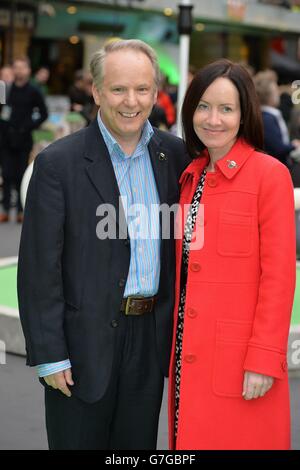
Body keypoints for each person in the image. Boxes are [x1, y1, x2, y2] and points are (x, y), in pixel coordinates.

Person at [17, 39, 190, 450]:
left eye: (142, 89)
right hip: (80, 349)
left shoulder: (177, 154)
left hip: (148, 344)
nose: (131, 101)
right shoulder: (58, 163)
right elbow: (40, 267)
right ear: (96, 91)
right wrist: (50, 355)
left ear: (155, 92)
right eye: (118, 89)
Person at [168, 59, 296, 450]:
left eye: (226, 108)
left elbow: (279, 276)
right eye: (203, 106)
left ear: (244, 115)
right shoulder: (190, 177)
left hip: (241, 362)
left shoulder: (269, 175)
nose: (213, 119)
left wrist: (263, 358)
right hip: (187, 354)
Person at [0, 57, 48, 223]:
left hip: (23, 139)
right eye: (16, 67)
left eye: (22, 67)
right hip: (5, 139)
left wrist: (29, 126)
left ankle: (21, 210)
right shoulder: (6, 89)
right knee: (6, 174)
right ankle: (5, 209)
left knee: (21, 174)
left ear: (28, 70)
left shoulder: (34, 91)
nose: (19, 71)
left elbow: (44, 113)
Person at [254, 72, 300, 167]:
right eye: (276, 91)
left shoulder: (269, 115)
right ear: (268, 95)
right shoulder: (267, 118)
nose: (278, 93)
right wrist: (293, 145)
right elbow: (277, 148)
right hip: (275, 165)